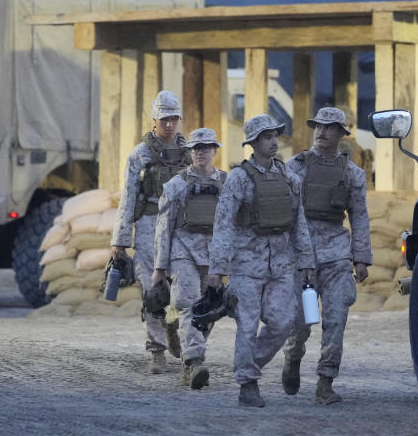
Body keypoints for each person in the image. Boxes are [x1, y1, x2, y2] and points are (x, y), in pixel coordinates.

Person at [206, 114, 315, 408]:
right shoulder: (239, 179)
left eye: (275, 136)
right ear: (253, 143)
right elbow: (224, 222)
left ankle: (246, 366)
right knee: (247, 324)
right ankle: (248, 385)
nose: (273, 141)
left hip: (281, 264)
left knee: (283, 321)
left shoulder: (289, 178)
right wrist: (218, 268)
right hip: (245, 266)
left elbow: (299, 221)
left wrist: (307, 261)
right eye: (267, 137)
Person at [282, 106, 371, 404]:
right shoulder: (295, 167)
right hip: (304, 261)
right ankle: (293, 358)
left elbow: (359, 216)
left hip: (336, 257)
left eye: (329, 128)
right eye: (318, 127)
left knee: (335, 318)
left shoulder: (352, 174)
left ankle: (325, 381)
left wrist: (361, 258)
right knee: (303, 320)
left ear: (341, 134)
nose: (321, 132)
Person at [111, 90, 190, 374]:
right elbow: (128, 197)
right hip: (148, 225)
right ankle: (156, 349)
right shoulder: (140, 154)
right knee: (152, 290)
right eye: (164, 119)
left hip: (181, 227)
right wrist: (120, 241)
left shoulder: (190, 152)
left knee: (185, 287)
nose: (169, 124)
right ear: (154, 119)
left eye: (174, 118)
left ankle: (175, 328)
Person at [152, 127, 225, 390]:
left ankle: (179, 334)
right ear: (190, 152)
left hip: (214, 257)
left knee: (210, 311)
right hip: (183, 252)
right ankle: (193, 363)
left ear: (215, 150)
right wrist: (160, 267)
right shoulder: (177, 185)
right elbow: (164, 226)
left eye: (206, 147)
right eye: (196, 148)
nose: (201, 152)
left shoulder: (227, 185)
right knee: (187, 303)